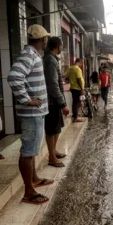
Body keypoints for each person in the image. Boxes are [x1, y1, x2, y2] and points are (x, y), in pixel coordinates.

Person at [8, 24, 53, 205]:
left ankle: (34, 178)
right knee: (27, 152)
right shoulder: (29, 55)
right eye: (45, 39)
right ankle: (29, 192)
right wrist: (27, 100)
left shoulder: (33, 55)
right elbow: (13, 77)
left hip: (35, 112)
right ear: (43, 40)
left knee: (32, 149)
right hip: (32, 113)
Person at [43, 37, 69, 168]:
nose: (62, 48)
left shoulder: (52, 59)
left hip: (55, 101)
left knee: (57, 128)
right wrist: (62, 103)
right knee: (52, 130)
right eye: (62, 45)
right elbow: (53, 84)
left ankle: (53, 151)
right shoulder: (49, 60)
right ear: (58, 46)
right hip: (52, 101)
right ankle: (51, 157)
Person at [66, 58, 85, 123]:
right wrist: (82, 89)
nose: (81, 65)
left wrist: (71, 82)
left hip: (73, 88)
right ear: (79, 62)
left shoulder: (70, 68)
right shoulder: (77, 69)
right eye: (81, 63)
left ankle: (75, 114)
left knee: (76, 102)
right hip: (77, 88)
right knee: (76, 103)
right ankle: (75, 117)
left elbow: (67, 78)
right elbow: (79, 79)